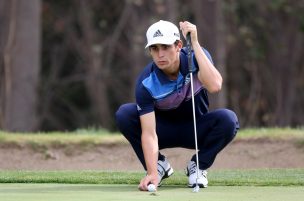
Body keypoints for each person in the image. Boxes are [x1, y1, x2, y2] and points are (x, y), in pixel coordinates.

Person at [115, 20, 239, 191]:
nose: (160, 54)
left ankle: (198, 166)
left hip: (196, 129)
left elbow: (215, 85)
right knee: (124, 114)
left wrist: (195, 42)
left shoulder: (197, 58)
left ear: (179, 45)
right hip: (163, 131)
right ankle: (159, 167)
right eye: (155, 48)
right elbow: (149, 134)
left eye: (165, 47)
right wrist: (151, 172)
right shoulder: (147, 82)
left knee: (228, 119)